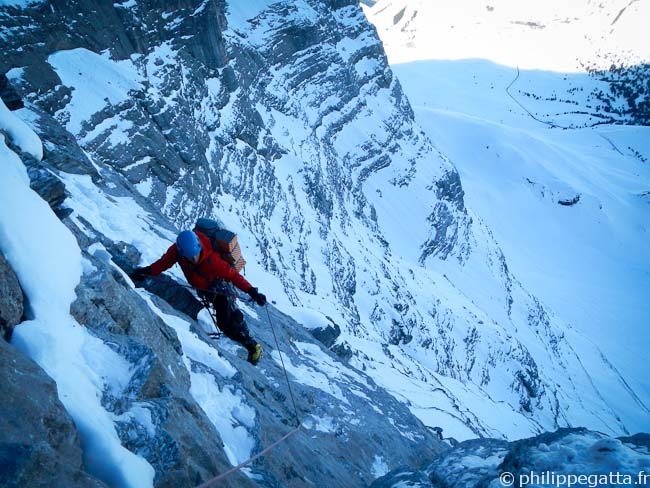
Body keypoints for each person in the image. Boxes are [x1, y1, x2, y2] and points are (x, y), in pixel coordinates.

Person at [133, 230, 267, 365]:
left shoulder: (213, 260)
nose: (194, 259)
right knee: (226, 320)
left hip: (220, 288)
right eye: (190, 257)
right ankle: (246, 339)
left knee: (226, 321)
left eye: (195, 255)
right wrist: (147, 272)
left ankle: (253, 346)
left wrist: (252, 292)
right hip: (207, 290)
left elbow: (233, 276)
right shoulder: (177, 251)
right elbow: (163, 263)